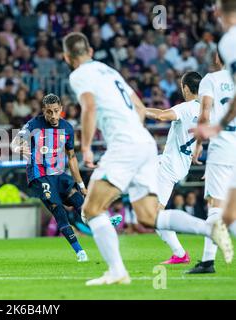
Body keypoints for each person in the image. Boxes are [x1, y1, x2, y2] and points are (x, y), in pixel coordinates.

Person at [63, 32, 232, 286]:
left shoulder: (79, 75)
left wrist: (86, 146)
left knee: (90, 210)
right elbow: (138, 106)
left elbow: (89, 106)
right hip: (145, 145)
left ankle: (117, 270)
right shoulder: (109, 71)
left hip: (127, 146)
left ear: (68, 56)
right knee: (149, 215)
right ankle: (209, 229)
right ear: (90, 50)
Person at [11, 93, 121, 262]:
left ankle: (104, 222)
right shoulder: (34, 124)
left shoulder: (67, 128)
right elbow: (14, 143)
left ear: (61, 109)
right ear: (43, 111)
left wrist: (81, 184)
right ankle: (80, 252)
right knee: (59, 210)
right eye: (49, 112)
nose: (53, 115)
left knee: (79, 200)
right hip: (39, 176)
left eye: (56, 111)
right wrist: (18, 148)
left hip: (59, 175)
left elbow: (72, 158)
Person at [193, 0, 236, 267]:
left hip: (225, 141)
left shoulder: (227, 45)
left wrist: (201, 141)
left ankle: (208, 259)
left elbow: (205, 112)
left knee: (215, 203)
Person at [145, 71, 203, 265]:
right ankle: (179, 253)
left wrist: (139, 110)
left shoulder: (185, 108)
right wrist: (198, 149)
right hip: (179, 164)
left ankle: (181, 251)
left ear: (185, 88)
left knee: (154, 213)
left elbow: (162, 116)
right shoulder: (206, 110)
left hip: (170, 164)